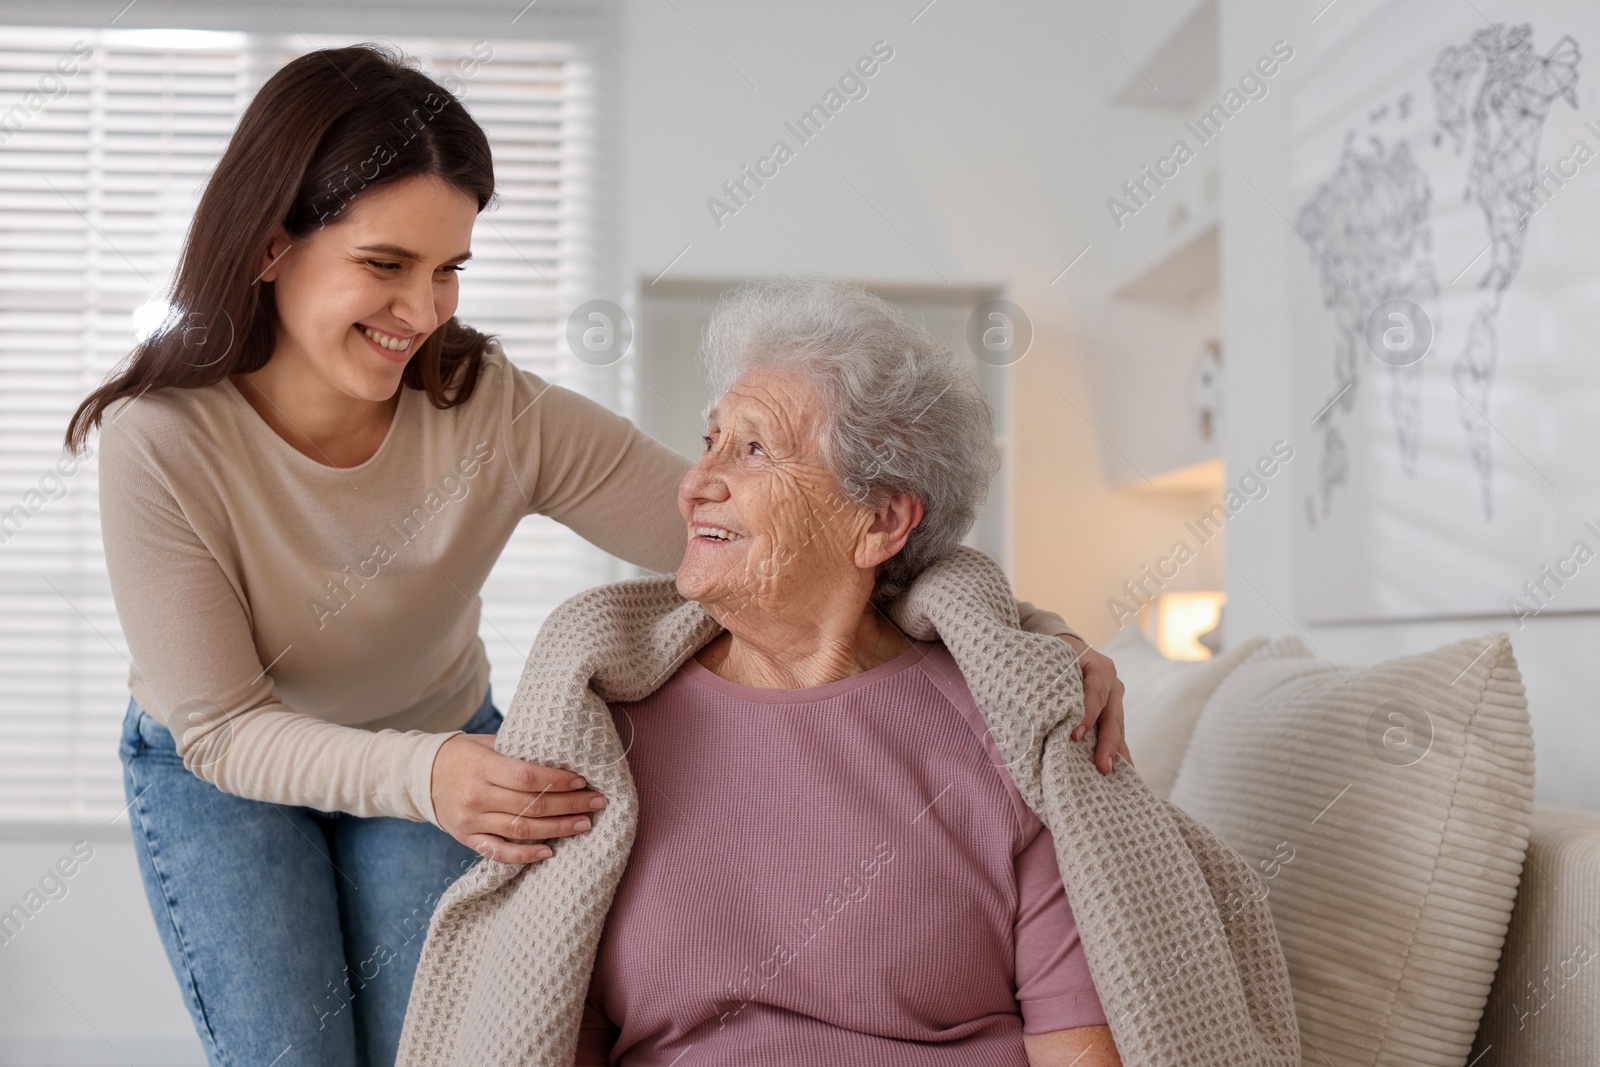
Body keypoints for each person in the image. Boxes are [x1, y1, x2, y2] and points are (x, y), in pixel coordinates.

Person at [62, 45, 1127, 1067]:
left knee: (423, 1045)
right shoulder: (164, 441)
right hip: (227, 765)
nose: (424, 313)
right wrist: (424, 771)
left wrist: (1027, 640)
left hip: (433, 737)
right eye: (385, 266)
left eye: (448, 270)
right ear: (269, 247)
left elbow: (758, 540)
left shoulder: (488, 409)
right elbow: (222, 726)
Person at [574, 279, 1123, 1066]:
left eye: (754, 448)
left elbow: (1080, 1051)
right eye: (710, 441)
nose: (696, 481)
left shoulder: (1012, 734)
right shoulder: (609, 728)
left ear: (879, 521)